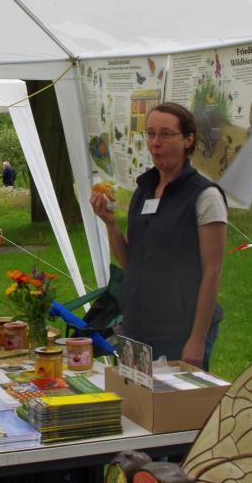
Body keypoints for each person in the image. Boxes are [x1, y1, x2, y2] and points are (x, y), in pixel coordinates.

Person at [91, 102, 227, 368]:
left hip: (179, 329)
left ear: (188, 140)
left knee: (175, 407)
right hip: (138, 325)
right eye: (150, 134)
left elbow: (213, 272)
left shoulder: (205, 196)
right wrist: (110, 225)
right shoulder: (144, 190)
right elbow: (131, 263)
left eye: (165, 134)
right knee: (136, 406)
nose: (155, 142)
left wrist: (197, 338)